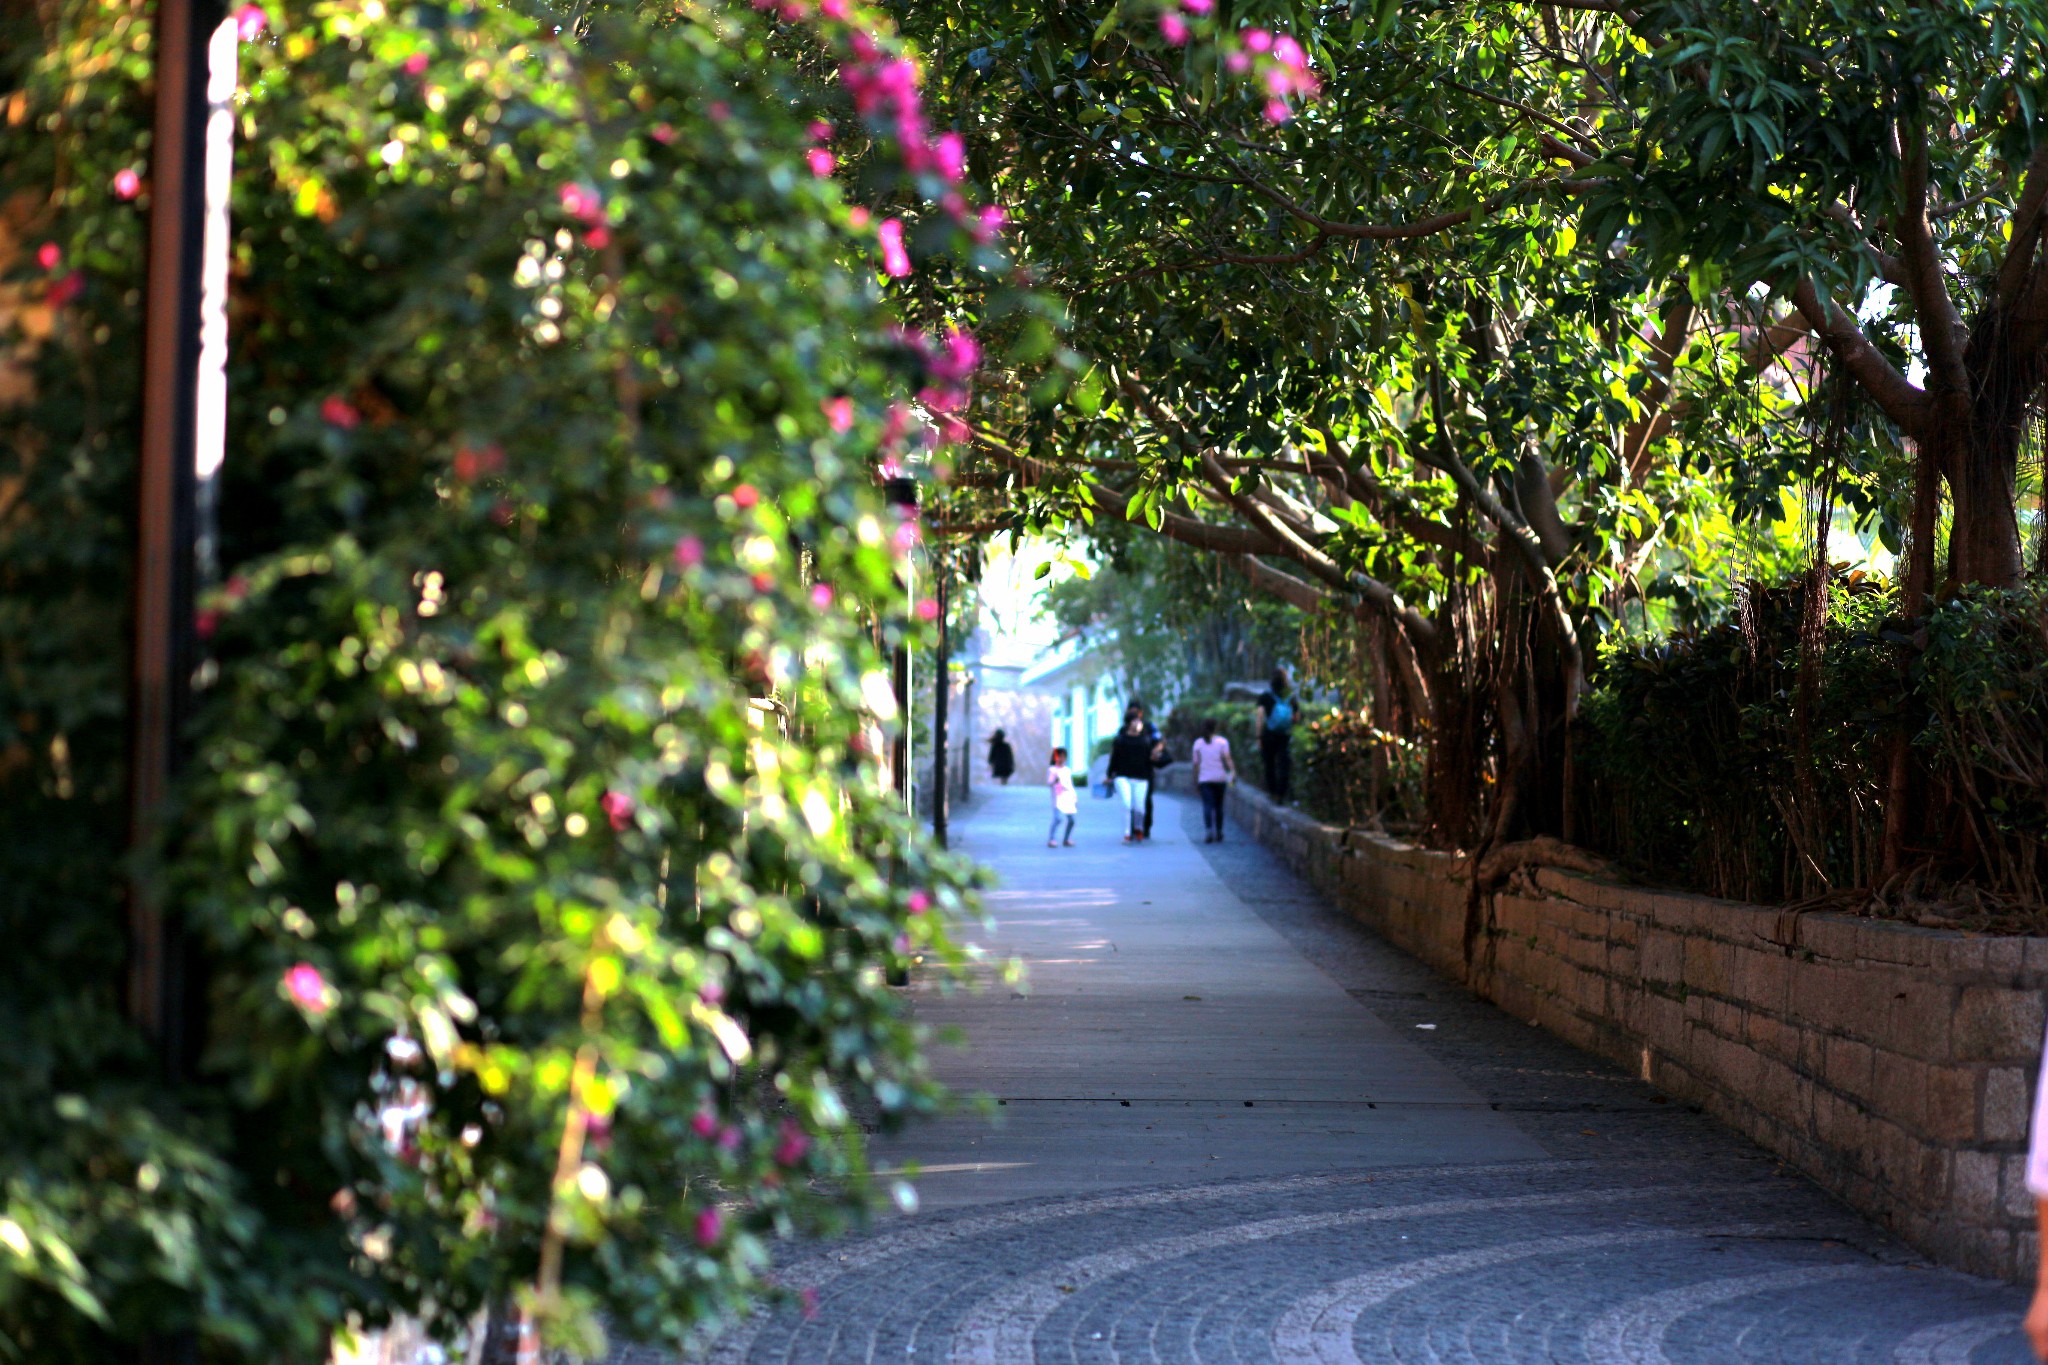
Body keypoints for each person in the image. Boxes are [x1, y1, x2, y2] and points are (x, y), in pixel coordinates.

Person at [1106, 711, 1156, 843]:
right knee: (1127, 804)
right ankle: (1127, 833)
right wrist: (1109, 774)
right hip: (1123, 777)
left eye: (1139, 721)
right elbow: (1114, 759)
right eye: (1135, 721)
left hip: (1141, 777)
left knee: (1140, 808)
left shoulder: (1145, 740)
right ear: (1128, 724)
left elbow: (1150, 760)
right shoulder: (1120, 740)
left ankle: (1138, 828)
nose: (1138, 723)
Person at [1255, 667, 1296, 803]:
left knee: (1269, 765)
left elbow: (1260, 716)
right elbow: (1297, 715)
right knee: (1284, 764)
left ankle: (1273, 793)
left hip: (1269, 735)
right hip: (1284, 735)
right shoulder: (1290, 695)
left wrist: (1258, 736)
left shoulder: (1266, 696)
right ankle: (1281, 794)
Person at [1190, 718, 1235, 843]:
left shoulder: (1198, 743)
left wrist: (1195, 780)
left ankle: (1209, 830)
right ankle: (1219, 831)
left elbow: (1196, 764)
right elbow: (1228, 759)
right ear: (1215, 728)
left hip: (1205, 779)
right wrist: (1233, 772)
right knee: (1219, 806)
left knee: (1207, 805)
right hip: (1220, 779)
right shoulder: (1222, 742)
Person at [1046, 746, 1077, 847]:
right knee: (1057, 819)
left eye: (1064, 756)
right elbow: (1049, 782)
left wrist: (1074, 797)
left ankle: (1067, 838)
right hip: (1057, 799)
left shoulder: (1067, 770)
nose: (1061, 759)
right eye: (1060, 756)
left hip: (1068, 799)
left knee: (1071, 820)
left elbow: (1070, 785)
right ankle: (1052, 839)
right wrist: (1055, 779)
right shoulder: (1052, 770)